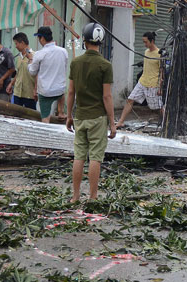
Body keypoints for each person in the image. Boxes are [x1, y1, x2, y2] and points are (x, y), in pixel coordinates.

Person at [65, 23, 116, 203]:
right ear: (101, 42)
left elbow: (71, 92)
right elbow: (107, 96)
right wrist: (112, 122)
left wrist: (69, 115)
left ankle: (75, 196)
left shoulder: (76, 63)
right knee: (95, 157)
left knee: (79, 156)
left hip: (80, 117)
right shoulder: (105, 65)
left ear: (84, 41)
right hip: (98, 118)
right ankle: (93, 197)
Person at [118, 31, 162, 125]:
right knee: (130, 100)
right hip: (142, 82)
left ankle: (166, 122)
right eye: (143, 42)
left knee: (158, 106)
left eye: (146, 42)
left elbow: (162, 72)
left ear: (152, 41)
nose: (144, 44)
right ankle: (121, 121)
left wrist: (160, 87)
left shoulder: (159, 54)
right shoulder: (146, 52)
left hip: (152, 84)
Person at [27, 26, 69, 122]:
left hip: (46, 92)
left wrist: (30, 60)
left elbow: (32, 72)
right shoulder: (63, 51)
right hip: (60, 89)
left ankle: (46, 128)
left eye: (38, 38)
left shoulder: (39, 54)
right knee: (61, 93)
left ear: (42, 38)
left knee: (45, 117)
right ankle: (61, 112)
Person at [11, 33, 37, 110]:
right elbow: (18, 73)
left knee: (30, 117)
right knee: (16, 116)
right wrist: (11, 84)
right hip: (17, 93)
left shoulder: (34, 56)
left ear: (22, 43)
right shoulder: (19, 57)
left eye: (16, 43)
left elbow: (38, 75)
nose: (16, 46)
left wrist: (36, 90)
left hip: (29, 94)